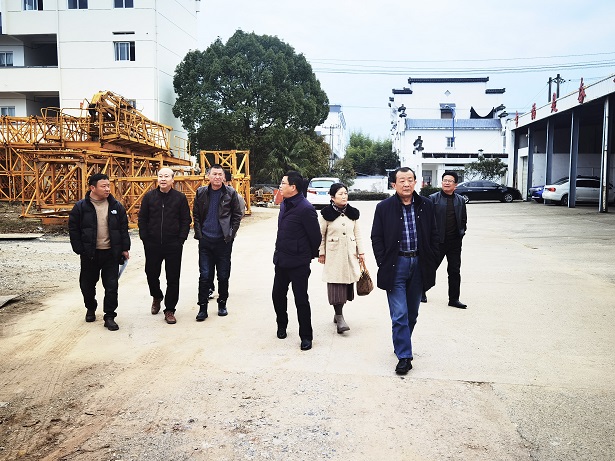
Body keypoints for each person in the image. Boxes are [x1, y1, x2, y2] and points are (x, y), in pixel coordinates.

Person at [371, 167, 439, 375]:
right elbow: (376, 237)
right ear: (394, 185)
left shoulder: (426, 205)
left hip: (419, 264)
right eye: (402, 180)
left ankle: (401, 343)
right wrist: (383, 261)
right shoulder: (384, 207)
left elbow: (435, 235)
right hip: (395, 265)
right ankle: (404, 357)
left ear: (416, 182)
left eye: (410, 179)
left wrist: (431, 260)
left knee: (412, 314)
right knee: (399, 313)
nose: (406, 184)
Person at [68, 173, 130, 331]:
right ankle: (90, 307)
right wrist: (79, 249)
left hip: (111, 253)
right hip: (90, 254)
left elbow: (123, 228)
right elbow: (73, 229)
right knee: (87, 285)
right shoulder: (81, 207)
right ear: (92, 188)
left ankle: (109, 316)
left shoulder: (116, 206)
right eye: (104, 186)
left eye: (108, 186)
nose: (108, 189)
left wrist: (124, 248)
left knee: (111, 286)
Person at [272, 170, 321, 351]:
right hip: (281, 260)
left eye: (283, 183)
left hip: (299, 263)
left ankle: (306, 336)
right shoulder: (284, 204)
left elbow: (315, 237)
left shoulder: (306, 208)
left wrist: (306, 256)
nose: (280, 186)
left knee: (301, 299)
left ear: (293, 187)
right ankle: (282, 325)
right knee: (277, 295)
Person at [138, 168, 191, 324]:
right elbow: (142, 218)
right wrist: (145, 238)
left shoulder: (180, 198)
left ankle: (170, 310)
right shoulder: (149, 197)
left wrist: (181, 239)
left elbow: (185, 220)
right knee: (151, 273)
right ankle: (157, 296)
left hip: (173, 244)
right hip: (152, 243)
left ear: (172, 180)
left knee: (173, 277)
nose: (163, 179)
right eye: (160, 176)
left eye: (166, 176)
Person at [193, 164, 243, 320]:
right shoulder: (201, 192)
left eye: (220, 174)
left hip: (223, 241)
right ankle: (202, 308)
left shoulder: (230, 193)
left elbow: (237, 215)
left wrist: (230, 234)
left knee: (223, 275)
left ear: (223, 177)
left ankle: (222, 304)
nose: (217, 177)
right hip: (206, 241)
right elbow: (196, 215)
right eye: (214, 174)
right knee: (205, 275)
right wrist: (199, 234)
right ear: (208, 176)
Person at [317, 182, 365, 334]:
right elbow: (320, 235)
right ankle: (340, 316)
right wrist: (321, 253)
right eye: (340, 194)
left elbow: (358, 234)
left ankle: (338, 313)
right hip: (334, 255)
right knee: (336, 286)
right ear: (332, 197)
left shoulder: (353, 213)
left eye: (345, 193)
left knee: (345, 287)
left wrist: (361, 253)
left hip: (350, 255)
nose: (344, 196)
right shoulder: (326, 214)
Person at [425, 171, 468, 309]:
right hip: (438, 241)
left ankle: (454, 299)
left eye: (450, 181)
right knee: (430, 268)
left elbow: (463, 219)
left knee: (454, 271)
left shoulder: (460, 200)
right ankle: (421, 291)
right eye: (445, 180)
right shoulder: (433, 199)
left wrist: (462, 232)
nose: (447, 183)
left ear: (455, 185)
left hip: (455, 242)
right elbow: (426, 221)